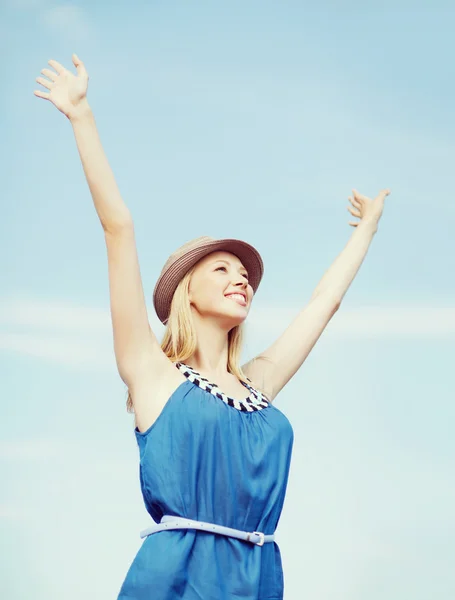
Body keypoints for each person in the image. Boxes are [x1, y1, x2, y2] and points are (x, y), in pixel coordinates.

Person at [34, 54, 390, 599]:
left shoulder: (258, 386)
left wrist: (365, 230)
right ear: (186, 293)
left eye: (245, 274)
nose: (240, 279)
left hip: (257, 577)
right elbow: (118, 229)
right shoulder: (152, 374)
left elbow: (325, 303)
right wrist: (81, 117)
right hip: (177, 579)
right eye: (221, 270)